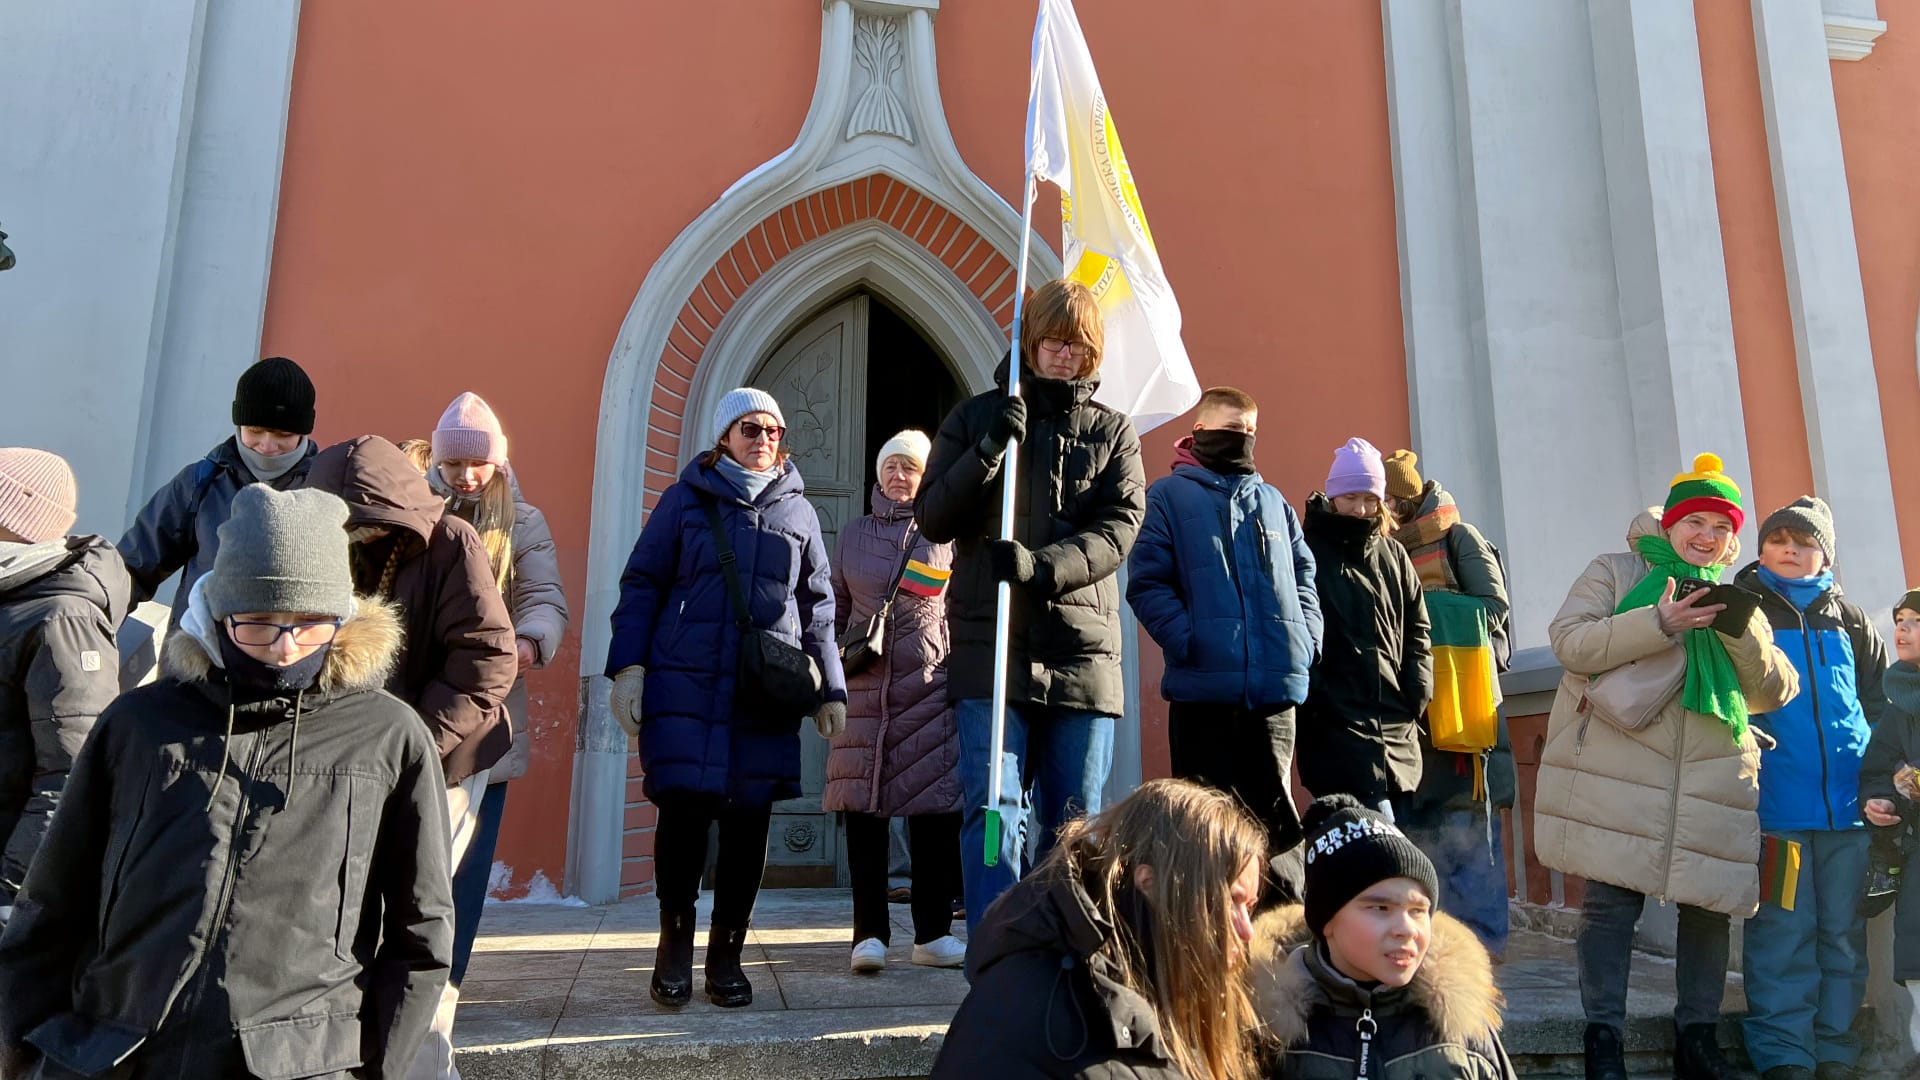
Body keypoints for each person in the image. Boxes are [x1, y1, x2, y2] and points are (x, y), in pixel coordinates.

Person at [0, 485, 452, 1079]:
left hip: (297, 1064)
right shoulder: (140, 724)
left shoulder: (388, 736)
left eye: (310, 626)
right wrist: (26, 1048)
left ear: (342, 620)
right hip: (120, 1052)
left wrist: (377, 1072)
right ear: (217, 615)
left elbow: (422, 933)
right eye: (259, 624)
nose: (284, 650)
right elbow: (54, 899)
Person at [1531, 453, 1799, 1080]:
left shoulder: (1742, 599)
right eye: (1696, 522)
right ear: (1672, 523)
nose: (1708, 536)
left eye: (1722, 527)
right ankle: (1603, 1042)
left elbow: (1773, 690)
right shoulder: (1617, 571)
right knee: (1610, 906)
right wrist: (1659, 621)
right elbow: (1570, 641)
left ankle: (1697, 1043)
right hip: (1621, 765)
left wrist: (1738, 632)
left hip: (1710, 776)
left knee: (1708, 908)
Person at [915, 279, 1146, 942]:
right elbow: (933, 515)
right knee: (994, 809)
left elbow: (1118, 529)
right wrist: (987, 452)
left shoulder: (1113, 432)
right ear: (1030, 342)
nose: (1066, 355)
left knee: (1076, 820)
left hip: (1083, 654)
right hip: (993, 649)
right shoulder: (975, 417)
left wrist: (1042, 568)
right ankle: (997, 949)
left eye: (1079, 346)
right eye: (1054, 341)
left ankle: (1068, 949)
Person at [606, 388, 847, 1009]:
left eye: (772, 429)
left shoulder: (799, 512)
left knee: (748, 825)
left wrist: (830, 688)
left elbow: (818, 606)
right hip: (685, 682)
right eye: (750, 428)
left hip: (761, 692)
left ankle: (727, 956)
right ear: (724, 437)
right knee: (683, 817)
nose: (763, 438)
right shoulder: (684, 499)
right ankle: (673, 948)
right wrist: (629, 669)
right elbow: (642, 583)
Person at [301, 435, 516, 1079]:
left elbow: (487, 657)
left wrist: (413, 745)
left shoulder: (451, 542)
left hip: (440, 761)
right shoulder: (314, 546)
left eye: (367, 522)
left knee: (417, 922)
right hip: (339, 765)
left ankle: (422, 1067)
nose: (356, 534)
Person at [931, 778, 1266, 1080]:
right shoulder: (1087, 1029)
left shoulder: (1060, 967)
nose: (1246, 931)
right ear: (1150, 884)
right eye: (1230, 901)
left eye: (1249, 908)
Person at [1127, 386, 1321, 902]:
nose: (1243, 441)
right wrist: (1188, 642)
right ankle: (1204, 932)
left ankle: (1283, 936)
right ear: (1201, 431)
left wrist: (1305, 642)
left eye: (1250, 432)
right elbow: (1147, 582)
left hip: (1274, 692)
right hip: (1203, 695)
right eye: (1233, 430)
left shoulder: (1273, 502)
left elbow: (1305, 576)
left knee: (1278, 831)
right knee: (1201, 829)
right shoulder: (1167, 497)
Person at [1730, 496, 1885, 1080]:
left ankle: (1835, 1048)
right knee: (1781, 935)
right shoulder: (1743, 611)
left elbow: (1879, 709)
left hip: (1848, 813)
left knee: (1843, 935)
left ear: (1826, 555)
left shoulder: (1851, 620)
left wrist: (1879, 785)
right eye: (1778, 540)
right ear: (1761, 549)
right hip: (1776, 810)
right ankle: (1784, 1054)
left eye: (1805, 543)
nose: (1790, 551)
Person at [426, 394, 571, 990]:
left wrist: (531, 643)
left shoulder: (523, 523)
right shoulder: (416, 511)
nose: (466, 475)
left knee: (466, 867)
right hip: (420, 710)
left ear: (498, 461)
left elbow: (544, 599)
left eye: (477, 463)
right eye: (454, 463)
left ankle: (447, 987)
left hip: (487, 718)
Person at [1249, 794, 1516, 1077]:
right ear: (1327, 921)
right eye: (1380, 908)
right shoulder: (1266, 1030)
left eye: (1418, 910)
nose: (1406, 929)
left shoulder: (1461, 1029)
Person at [826, 429, 965, 973]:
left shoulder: (945, 533)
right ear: (878, 474)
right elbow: (835, 609)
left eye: (910, 467)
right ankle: (868, 934)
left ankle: (932, 933)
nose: (899, 475)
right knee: (863, 813)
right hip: (864, 689)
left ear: (926, 477)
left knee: (934, 814)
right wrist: (829, 675)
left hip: (930, 689)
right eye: (891, 466)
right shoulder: (852, 535)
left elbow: (958, 606)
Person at [1382, 449, 1513, 958]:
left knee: (1469, 833)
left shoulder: (1459, 537)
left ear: (1406, 500)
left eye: (1390, 501)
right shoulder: (1387, 547)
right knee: (1423, 834)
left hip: (1465, 705)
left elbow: (1493, 605)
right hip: (1416, 710)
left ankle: (1483, 948)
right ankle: (1433, 945)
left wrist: (1418, 612)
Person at [0, 450, 128, 925]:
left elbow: (72, 774)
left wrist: (12, 891)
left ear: (18, 522)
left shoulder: (64, 618)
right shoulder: (11, 587)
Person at [119, 357, 319, 623]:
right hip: (197, 647)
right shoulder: (199, 483)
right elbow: (132, 568)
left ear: (303, 432)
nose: (267, 445)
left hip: (291, 645)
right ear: (239, 424)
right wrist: (86, 618)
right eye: (255, 430)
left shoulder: (327, 490)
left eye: (283, 435)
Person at [1297, 437, 1432, 818]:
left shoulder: (1395, 555)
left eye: (1370, 499)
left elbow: (1418, 630)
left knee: (1402, 843)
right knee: (1369, 845)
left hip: (1398, 735)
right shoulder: (1307, 552)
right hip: (1334, 735)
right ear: (1332, 496)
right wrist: (1320, 700)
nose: (1360, 509)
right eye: (1350, 497)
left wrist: (1417, 692)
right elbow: (1295, 631)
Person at [1861, 589, 1920, 1068]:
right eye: (1900, 619)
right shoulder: (1899, 698)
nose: (1902, 629)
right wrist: (1882, 798)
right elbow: (1878, 767)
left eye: (1916, 621)